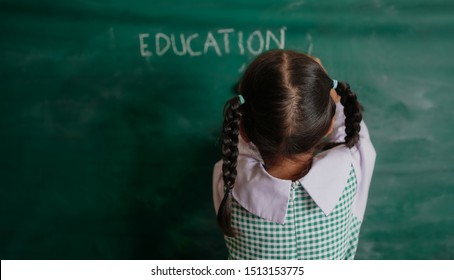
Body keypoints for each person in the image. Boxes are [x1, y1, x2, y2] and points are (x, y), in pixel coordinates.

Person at [212, 50, 376, 259]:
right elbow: (357, 136)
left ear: (242, 128)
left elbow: (241, 145)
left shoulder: (228, 179)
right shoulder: (349, 170)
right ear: (328, 126)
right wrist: (325, 91)